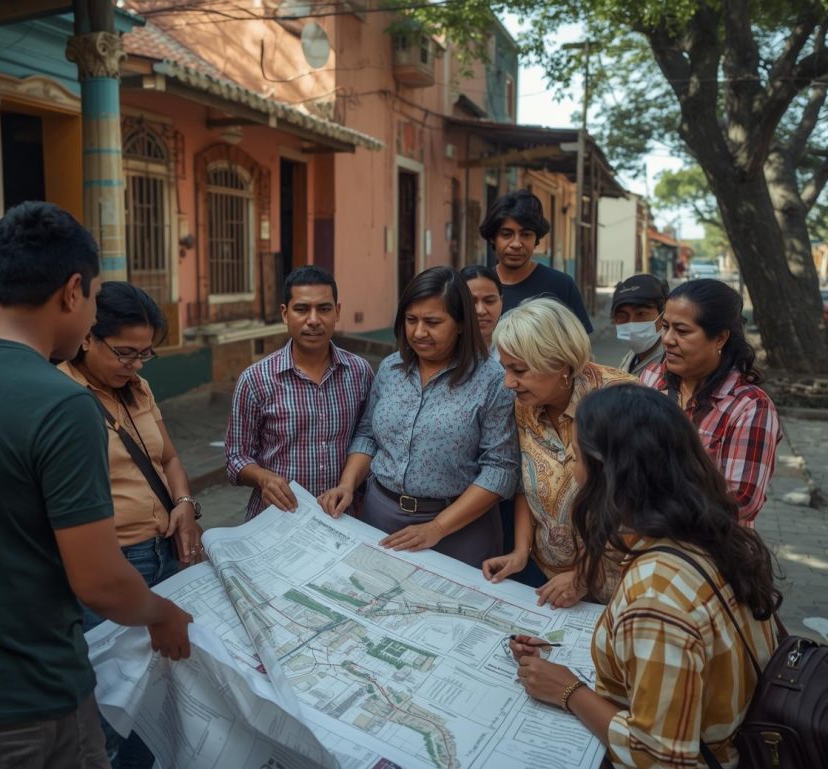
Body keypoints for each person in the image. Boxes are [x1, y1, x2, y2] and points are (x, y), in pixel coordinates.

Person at [0, 202, 192, 768]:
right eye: (97, 298)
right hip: (25, 693)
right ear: (73, 290)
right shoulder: (63, 404)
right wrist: (162, 614)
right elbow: (100, 580)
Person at [511, 385, 778, 769]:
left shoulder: (655, 594)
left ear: (609, 470)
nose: (570, 456)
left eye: (578, 447)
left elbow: (661, 759)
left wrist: (568, 690)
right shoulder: (710, 535)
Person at [58, 281, 203, 768]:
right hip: (115, 564)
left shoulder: (139, 388)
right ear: (87, 339)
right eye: (124, 353)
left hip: (164, 554)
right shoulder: (61, 397)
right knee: (113, 696)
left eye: (145, 355)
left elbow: (170, 457)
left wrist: (183, 501)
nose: (135, 365)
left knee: (162, 687)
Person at [319, 266, 518, 567]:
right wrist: (347, 484)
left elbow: (500, 469)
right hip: (379, 519)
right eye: (411, 320)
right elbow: (368, 435)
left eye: (433, 322)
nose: (419, 332)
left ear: (462, 324)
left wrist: (437, 528)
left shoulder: (493, 381)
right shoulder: (391, 369)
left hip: (459, 531)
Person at [483, 298, 634, 605]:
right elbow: (528, 482)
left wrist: (585, 575)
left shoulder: (623, 400)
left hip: (616, 584)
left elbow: (643, 506)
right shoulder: (526, 405)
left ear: (560, 363)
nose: (508, 382)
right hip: (547, 574)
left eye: (519, 370)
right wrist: (520, 551)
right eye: (505, 368)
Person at [226, 265, 373, 519]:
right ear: (285, 314)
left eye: (324, 309)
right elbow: (235, 457)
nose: (313, 320)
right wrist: (263, 478)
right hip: (278, 518)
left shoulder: (359, 372)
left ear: (337, 312)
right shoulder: (256, 379)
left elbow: (368, 438)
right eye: (302, 309)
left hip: (343, 518)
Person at [640, 279, 781, 526]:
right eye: (665, 327)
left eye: (682, 331)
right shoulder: (651, 379)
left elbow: (741, 501)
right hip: (643, 543)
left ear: (720, 338)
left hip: (708, 553)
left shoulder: (750, 407)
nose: (667, 340)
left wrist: (648, 496)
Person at [479, 190, 593, 333]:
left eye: (526, 235)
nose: (516, 244)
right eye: (506, 234)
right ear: (492, 238)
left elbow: (581, 349)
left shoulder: (561, 286)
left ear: (536, 239)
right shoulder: (478, 287)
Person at [610, 273, 668, 375]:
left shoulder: (671, 366)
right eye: (623, 316)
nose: (631, 323)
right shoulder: (632, 357)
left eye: (641, 314)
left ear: (663, 316)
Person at [459, 264, 503, 360]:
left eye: (490, 301)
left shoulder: (519, 349)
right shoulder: (443, 351)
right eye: (471, 302)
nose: (481, 311)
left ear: (501, 302)